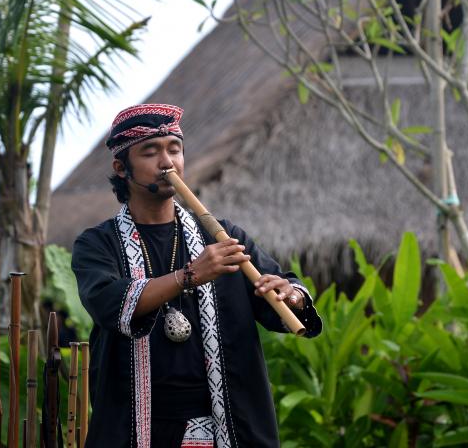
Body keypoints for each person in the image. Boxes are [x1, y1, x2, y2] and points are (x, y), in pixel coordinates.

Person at [71, 103, 322, 448]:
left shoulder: (222, 237)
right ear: (121, 167)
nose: (167, 162)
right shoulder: (98, 244)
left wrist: (288, 295)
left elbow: (286, 294)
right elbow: (108, 302)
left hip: (222, 429)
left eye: (174, 149)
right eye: (151, 152)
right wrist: (189, 275)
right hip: (134, 428)